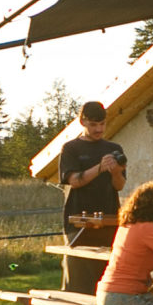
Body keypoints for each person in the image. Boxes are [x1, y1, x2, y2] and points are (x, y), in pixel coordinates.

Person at [54, 101, 126, 295]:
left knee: (106, 278)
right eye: (93, 125)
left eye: (102, 124)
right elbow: (74, 181)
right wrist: (100, 168)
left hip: (110, 221)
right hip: (78, 222)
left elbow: (119, 185)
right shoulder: (71, 148)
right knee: (78, 278)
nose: (98, 129)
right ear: (82, 122)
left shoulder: (114, 148)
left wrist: (116, 172)